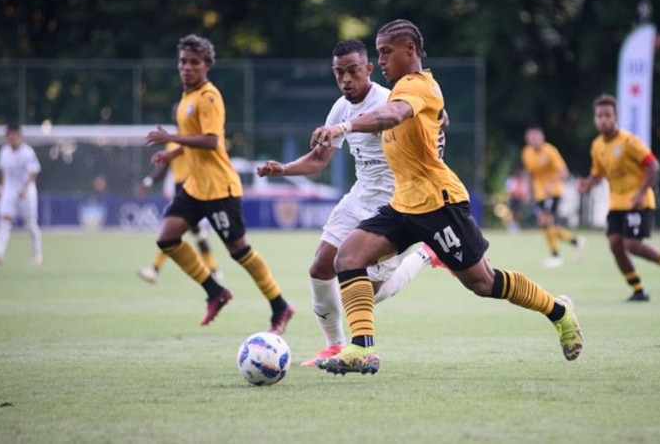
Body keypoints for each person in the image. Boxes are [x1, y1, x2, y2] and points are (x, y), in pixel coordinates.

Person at [309, 19, 583, 375]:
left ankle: (559, 312)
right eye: (378, 53)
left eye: (386, 52)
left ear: (410, 51)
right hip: (403, 203)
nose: (383, 61)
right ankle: (362, 349)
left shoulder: (419, 85)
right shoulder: (399, 89)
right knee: (348, 256)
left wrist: (344, 126)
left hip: (439, 204)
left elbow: (395, 114)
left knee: (484, 282)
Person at [256, 39, 440, 367]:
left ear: (368, 69)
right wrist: (283, 169)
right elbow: (317, 160)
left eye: (353, 71)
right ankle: (334, 345)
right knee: (320, 267)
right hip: (358, 198)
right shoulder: (340, 106)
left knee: (369, 293)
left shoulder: (388, 101)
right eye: (339, 73)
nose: (346, 80)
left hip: (392, 207)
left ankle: (426, 255)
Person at [145, 34, 294, 331]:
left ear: (207, 65)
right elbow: (193, 140)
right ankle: (216, 292)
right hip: (195, 186)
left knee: (238, 249)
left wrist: (171, 137)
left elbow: (212, 141)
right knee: (167, 238)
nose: (187, 67)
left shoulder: (209, 97)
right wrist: (172, 152)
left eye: (194, 63)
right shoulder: (186, 98)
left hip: (219, 187)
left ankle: (280, 306)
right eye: (183, 62)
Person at [576, 94, 660, 302]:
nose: (603, 119)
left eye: (608, 115)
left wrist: (641, 191)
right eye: (599, 115)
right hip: (616, 204)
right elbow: (598, 173)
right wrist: (586, 183)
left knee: (632, 245)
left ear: (616, 118)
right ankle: (639, 290)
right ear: (595, 119)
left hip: (639, 201)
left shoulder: (629, 141)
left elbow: (653, 166)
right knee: (615, 245)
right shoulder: (597, 145)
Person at [137, 104, 220, 284]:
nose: (177, 115)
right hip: (180, 188)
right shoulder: (172, 140)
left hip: (194, 186)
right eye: (175, 113)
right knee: (195, 234)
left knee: (173, 232)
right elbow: (164, 166)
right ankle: (214, 270)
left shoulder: (194, 137)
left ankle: (155, 270)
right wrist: (148, 181)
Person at [520, 126, 585, 267]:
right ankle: (575, 241)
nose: (534, 140)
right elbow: (530, 175)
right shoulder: (526, 153)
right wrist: (528, 192)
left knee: (546, 222)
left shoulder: (550, 151)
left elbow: (564, 171)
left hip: (553, 192)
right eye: (531, 137)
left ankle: (555, 256)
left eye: (536, 137)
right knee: (545, 225)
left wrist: (551, 185)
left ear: (542, 137)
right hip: (539, 194)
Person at [0, 124, 43, 266]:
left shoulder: (27, 152)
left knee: (30, 224)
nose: (12, 138)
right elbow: (2, 172)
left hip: (26, 192)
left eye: (15, 135)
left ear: (19, 136)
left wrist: (24, 188)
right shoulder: (4, 152)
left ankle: (37, 254)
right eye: (9, 135)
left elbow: (33, 172)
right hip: (9, 191)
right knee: (4, 221)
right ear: (6, 137)